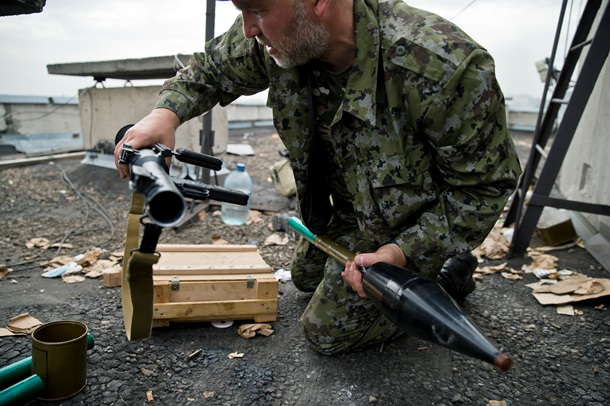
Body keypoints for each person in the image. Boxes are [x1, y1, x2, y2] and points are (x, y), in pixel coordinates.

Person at [114, 0, 522, 355]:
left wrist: (403, 252)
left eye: (257, 10)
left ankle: (445, 274)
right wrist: (163, 115)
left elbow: (486, 187)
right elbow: (211, 68)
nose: (248, 29)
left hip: (408, 227)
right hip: (347, 213)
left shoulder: (441, 66)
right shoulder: (279, 39)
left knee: (325, 332)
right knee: (306, 277)